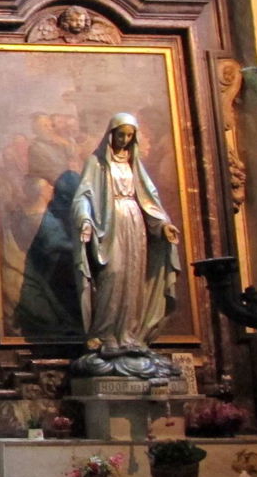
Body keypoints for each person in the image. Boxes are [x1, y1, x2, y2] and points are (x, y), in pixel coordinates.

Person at [70, 113, 180, 379]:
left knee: (133, 278)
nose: (125, 139)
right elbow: (83, 196)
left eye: (130, 135)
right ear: (111, 134)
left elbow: (149, 200)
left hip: (134, 223)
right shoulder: (97, 163)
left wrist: (162, 225)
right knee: (113, 274)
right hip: (110, 223)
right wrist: (85, 220)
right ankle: (105, 335)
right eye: (121, 134)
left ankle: (130, 336)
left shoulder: (134, 164)